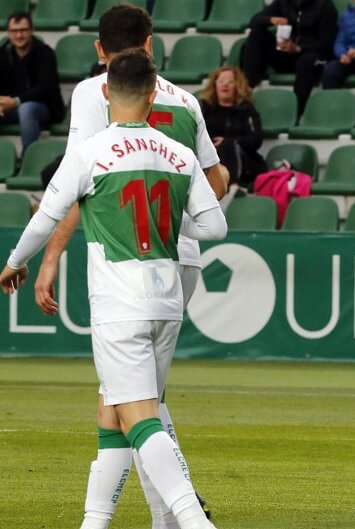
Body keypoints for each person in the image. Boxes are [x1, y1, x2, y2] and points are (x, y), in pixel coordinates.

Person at [0, 48, 226, 529]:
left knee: (138, 415)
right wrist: (170, 223)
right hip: (167, 298)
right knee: (114, 409)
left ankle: (192, 520)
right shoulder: (180, 154)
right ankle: (94, 522)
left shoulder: (90, 152)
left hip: (120, 300)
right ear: (152, 96)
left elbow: (47, 218)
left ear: (106, 92)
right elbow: (215, 228)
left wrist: (17, 260)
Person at [242, 0, 337, 115]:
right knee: (256, 34)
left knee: (306, 62)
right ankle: (246, 89)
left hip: (314, 55)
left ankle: (295, 112)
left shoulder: (325, 6)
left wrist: (298, 48)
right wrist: (271, 20)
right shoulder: (283, 2)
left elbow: (327, 44)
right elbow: (254, 20)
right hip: (287, 55)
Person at [0, 11, 65, 150]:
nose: (19, 35)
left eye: (23, 30)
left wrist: (16, 101)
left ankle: (27, 159)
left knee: (26, 109)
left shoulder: (45, 53)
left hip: (43, 107)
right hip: (10, 107)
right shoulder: (3, 54)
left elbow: (46, 87)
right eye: (14, 31)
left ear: (32, 31)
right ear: (9, 33)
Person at [199, 65, 267, 189]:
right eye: (221, 81)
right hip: (212, 158)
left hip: (244, 161)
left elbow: (256, 139)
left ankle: (232, 187)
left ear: (237, 86)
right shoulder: (205, 109)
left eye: (230, 82)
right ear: (215, 85)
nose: (225, 85)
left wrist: (229, 141)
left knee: (228, 145)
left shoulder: (247, 110)